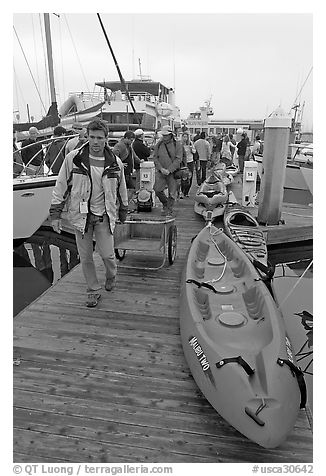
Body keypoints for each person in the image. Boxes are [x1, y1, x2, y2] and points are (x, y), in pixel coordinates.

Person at [49, 118, 129, 308]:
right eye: (91, 137)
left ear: (106, 139)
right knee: (85, 258)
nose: (95, 141)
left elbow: (122, 187)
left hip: (104, 216)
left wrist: (124, 209)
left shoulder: (114, 162)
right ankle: (93, 290)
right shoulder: (74, 158)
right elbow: (60, 186)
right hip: (80, 217)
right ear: (87, 136)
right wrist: (55, 215)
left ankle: (111, 275)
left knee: (109, 256)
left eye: (99, 138)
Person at [153, 125, 183, 216]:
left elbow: (178, 159)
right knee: (157, 190)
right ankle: (165, 204)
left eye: (166, 135)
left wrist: (169, 170)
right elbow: (155, 157)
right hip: (161, 171)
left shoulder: (177, 144)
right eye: (163, 135)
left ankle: (169, 209)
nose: (164, 137)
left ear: (171, 135)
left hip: (173, 173)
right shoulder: (159, 144)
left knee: (172, 193)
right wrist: (161, 168)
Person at [180, 132, 196, 198]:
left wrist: (191, 148)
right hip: (183, 162)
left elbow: (194, 151)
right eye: (184, 137)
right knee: (183, 177)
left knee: (190, 177)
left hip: (190, 161)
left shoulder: (190, 143)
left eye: (186, 137)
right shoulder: (180, 144)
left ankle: (186, 192)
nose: (185, 138)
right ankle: (182, 191)